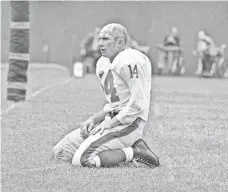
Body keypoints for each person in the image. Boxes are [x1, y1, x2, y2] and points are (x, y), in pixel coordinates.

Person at [52, 23, 159, 168]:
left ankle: (135, 152)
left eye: (106, 39)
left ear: (120, 42)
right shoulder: (102, 63)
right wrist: (94, 119)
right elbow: (114, 104)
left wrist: (110, 124)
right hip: (111, 121)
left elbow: (137, 105)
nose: (100, 43)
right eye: (100, 38)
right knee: (61, 152)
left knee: (83, 160)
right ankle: (115, 150)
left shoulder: (130, 60)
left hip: (129, 124)